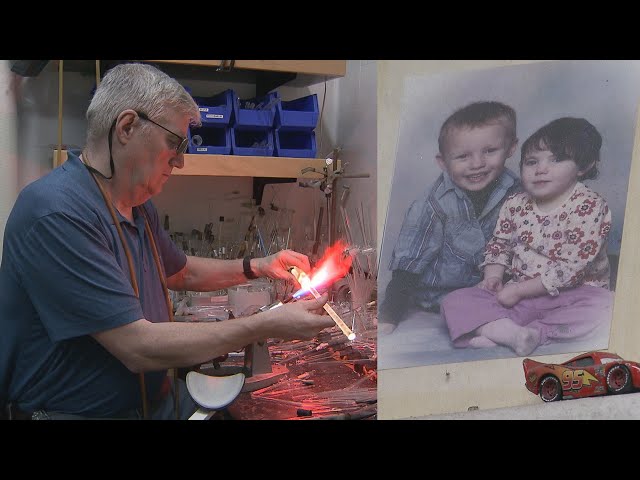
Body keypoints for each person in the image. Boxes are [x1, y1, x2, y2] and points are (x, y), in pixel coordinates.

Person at [0, 63, 334, 420]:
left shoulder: (136, 205)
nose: (181, 161)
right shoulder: (58, 213)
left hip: (150, 403)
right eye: (174, 142)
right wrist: (267, 323)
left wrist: (258, 267)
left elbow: (182, 272)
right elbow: (137, 347)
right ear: (126, 127)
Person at [441, 117, 613, 357]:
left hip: (574, 293)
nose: (540, 169)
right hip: (519, 293)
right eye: (531, 161)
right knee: (454, 300)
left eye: (556, 159)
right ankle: (508, 332)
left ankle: (528, 332)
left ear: (583, 167)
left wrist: (520, 291)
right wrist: (493, 276)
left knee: (606, 308)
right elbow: (499, 244)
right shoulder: (516, 203)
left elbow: (572, 269)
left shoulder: (590, 206)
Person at [378, 101, 521, 335]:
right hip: (444, 293)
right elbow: (408, 264)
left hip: (498, 285)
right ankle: (503, 333)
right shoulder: (432, 205)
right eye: (463, 156)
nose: (477, 164)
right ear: (443, 163)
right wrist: (389, 316)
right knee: (463, 312)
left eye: (490, 151)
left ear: (511, 148)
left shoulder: (519, 192)